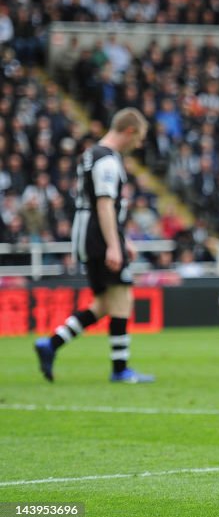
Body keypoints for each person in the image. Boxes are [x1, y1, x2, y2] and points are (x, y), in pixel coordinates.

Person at [34, 108, 154, 384]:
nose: (139, 144)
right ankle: (120, 369)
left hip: (89, 234)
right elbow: (104, 204)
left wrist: (123, 241)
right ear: (129, 131)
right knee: (122, 296)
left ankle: (51, 344)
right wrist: (114, 245)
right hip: (97, 236)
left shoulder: (92, 155)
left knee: (103, 303)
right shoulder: (107, 161)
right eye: (139, 138)